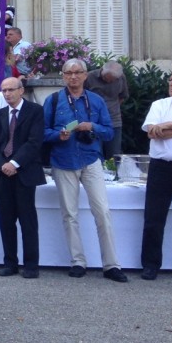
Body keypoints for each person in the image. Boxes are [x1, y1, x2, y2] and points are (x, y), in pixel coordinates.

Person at [43, 58, 128, 282]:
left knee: (103, 212)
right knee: (69, 214)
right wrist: (57, 135)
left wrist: (92, 127)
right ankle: (78, 261)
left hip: (91, 160)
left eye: (77, 72)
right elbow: (42, 133)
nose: (73, 77)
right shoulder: (52, 101)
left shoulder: (97, 101)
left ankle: (111, 265)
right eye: (68, 73)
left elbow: (110, 132)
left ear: (84, 75)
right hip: (63, 160)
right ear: (63, 76)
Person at [0, 77, 45, 278]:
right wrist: (2, 164)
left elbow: (34, 142)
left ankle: (31, 265)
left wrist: (15, 163)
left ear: (21, 90)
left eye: (11, 90)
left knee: (28, 221)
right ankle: (10, 263)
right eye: (3, 91)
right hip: (2, 174)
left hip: (24, 173)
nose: (7, 94)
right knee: (6, 221)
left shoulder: (35, 111)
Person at [139, 68, 172, 280]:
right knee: (153, 218)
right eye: (170, 79)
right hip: (161, 167)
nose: (171, 83)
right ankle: (150, 265)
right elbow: (152, 132)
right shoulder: (159, 105)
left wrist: (170, 125)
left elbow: (161, 130)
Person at [85, 61, 130, 160]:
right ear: (102, 70)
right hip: (94, 122)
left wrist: (110, 108)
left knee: (114, 155)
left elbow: (122, 96)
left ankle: (114, 175)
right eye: (106, 79)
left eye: (112, 80)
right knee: (95, 154)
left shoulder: (121, 78)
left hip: (114, 121)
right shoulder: (89, 77)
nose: (109, 82)